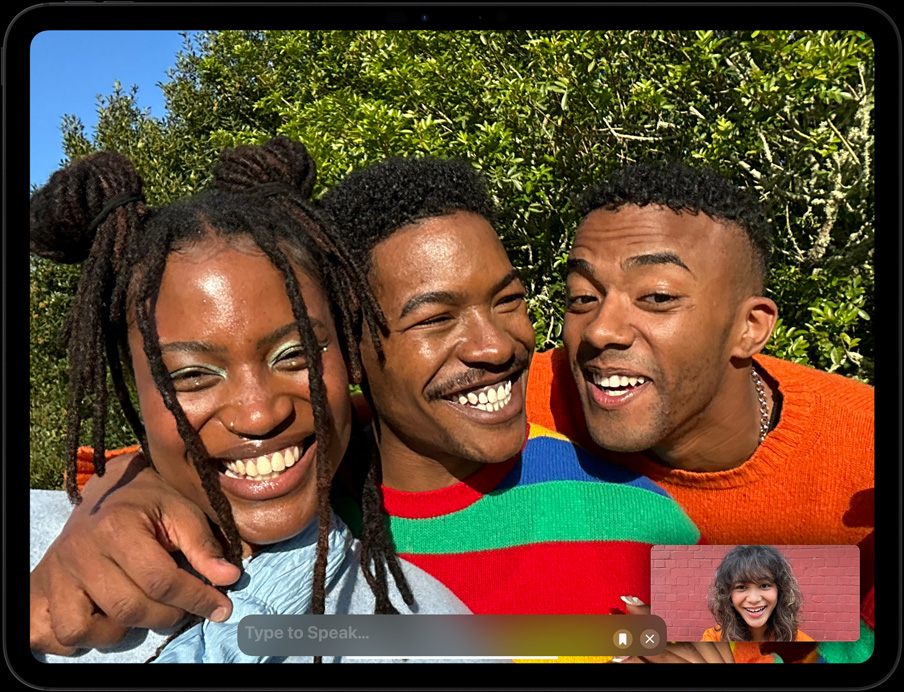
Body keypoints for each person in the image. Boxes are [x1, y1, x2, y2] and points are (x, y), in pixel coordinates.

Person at [29, 155, 703, 663]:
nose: (496, 344)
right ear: (355, 348)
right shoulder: (302, 487)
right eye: (433, 318)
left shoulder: (640, 510)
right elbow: (135, 470)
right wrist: (112, 500)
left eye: (509, 300)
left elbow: (780, 624)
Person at [28, 137, 473, 663]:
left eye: (296, 354)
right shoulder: (43, 556)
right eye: (192, 375)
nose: (260, 413)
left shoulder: (429, 631)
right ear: (135, 389)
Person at [526, 161, 873, 664]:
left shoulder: (864, 458)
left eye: (657, 297)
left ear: (749, 327)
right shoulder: (508, 404)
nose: (601, 330)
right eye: (582, 297)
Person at [702, 546, 813, 643]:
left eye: (764, 585)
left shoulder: (804, 644)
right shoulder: (713, 639)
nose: (754, 599)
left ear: (780, 590)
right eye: (741, 587)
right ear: (728, 594)